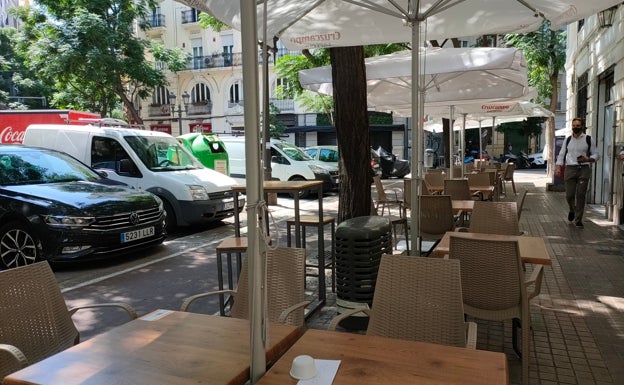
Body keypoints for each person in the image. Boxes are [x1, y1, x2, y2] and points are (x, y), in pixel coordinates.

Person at [555, 118, 599, 228]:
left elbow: (596, 155)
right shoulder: (568, 139)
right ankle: (572, 210)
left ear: (582, 126)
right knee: (569, 195)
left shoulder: (589, 139)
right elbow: (562, 154)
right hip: (570, 168)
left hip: (583, 169)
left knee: (580, 194)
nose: (575, 127)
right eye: (573, 125)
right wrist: (558, 166)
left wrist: (587, 159)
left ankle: (578, 219)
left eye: (578, 125)